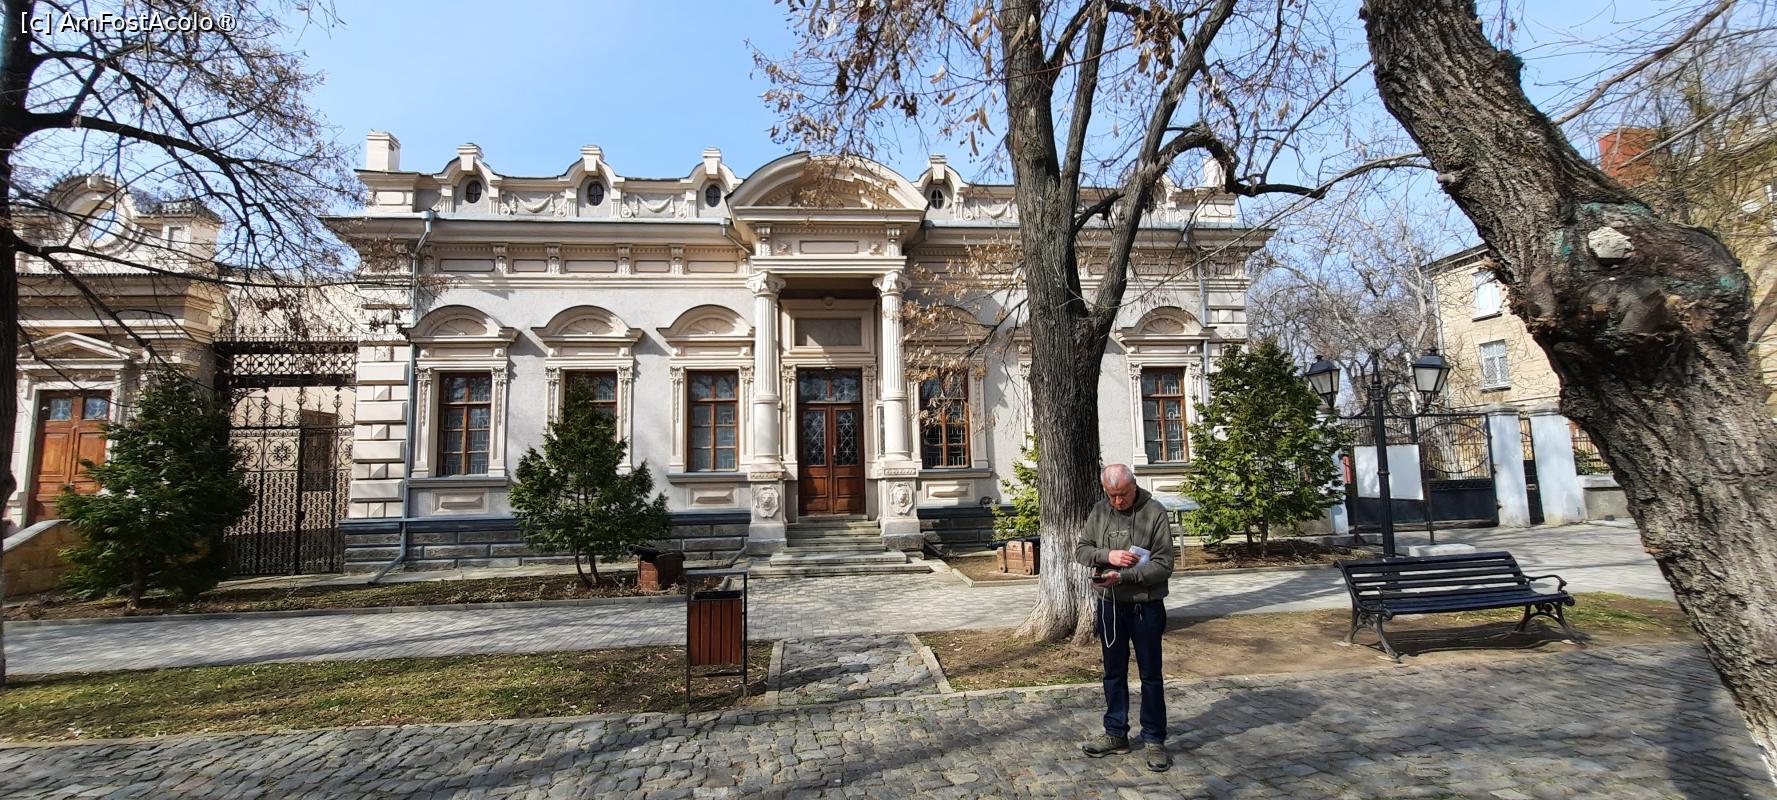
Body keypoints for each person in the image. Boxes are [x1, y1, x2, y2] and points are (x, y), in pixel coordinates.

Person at [1074, 463, 1176, 772]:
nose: (1118, 501)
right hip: (1110, 605)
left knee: (1150, 674)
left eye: (1123, 494)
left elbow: (1164, 564)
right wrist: (1107, 556)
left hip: (1146, 605)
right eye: (1112, 495)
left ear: (1134, 486)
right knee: (1113, 672)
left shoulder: (1154, 512)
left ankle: (1154, 739)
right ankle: (1116, 733)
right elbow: (1082, 550)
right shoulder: (1100, 511)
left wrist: (1125, 575)